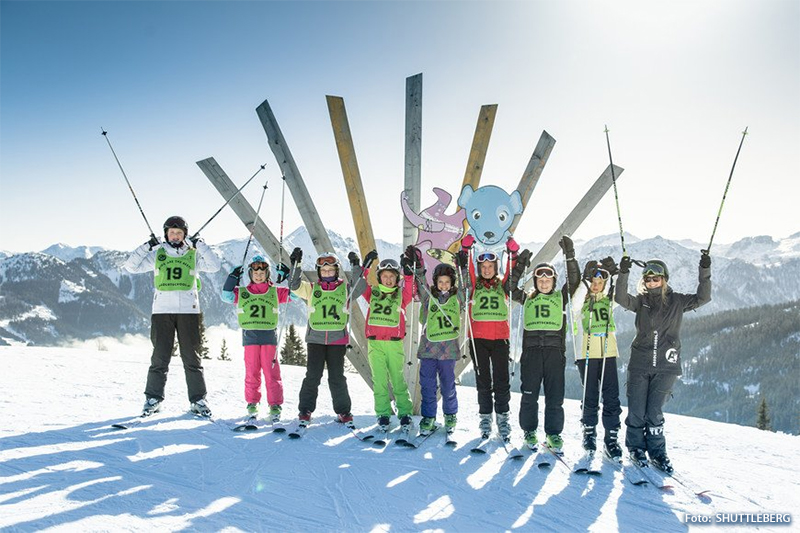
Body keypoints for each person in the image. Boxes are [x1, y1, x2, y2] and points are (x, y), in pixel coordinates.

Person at [615, 252, 712, 473]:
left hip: (667, 366)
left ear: (664, 279)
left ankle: (658, 452)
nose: (651, 282)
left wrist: (704, 270)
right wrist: (623, 272)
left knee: (655, 413)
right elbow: (621, 298)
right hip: (640, 364)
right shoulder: (641, 302)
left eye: (655, 278)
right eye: (647, 279)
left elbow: (703, 298)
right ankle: (636, 448)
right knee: (637, 412)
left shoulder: (677, 301)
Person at [124, 216, 220, 417]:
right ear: (166, 234)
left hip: (189, 311)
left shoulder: (193, 254)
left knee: (191, 357)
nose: (175, 236)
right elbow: (131, 266)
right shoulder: (158, 254)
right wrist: (147, 246)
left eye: (179, 233)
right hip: (161, 311)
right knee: (160, 357)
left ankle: (198, 399)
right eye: (171, 233)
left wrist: (199, 244)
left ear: (185, 234)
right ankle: (153, 399)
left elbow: (214, 265)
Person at [508, 236, 579, 453]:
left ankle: (553, 434)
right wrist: (520, 265)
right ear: (536, 282)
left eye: (548, 279)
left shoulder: (561, 297)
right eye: (540, 280)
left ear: (554, 281)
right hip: (531, 353)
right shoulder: (527, 298)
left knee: (554, 396)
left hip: (554, 353)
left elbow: (574, 281)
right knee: (529, 395)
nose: (544, 282)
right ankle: (529, 430)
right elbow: (509, 287)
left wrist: (570, 255)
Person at [288, 248, 372, 428]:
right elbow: (293, 285)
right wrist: (296, 265)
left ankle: (343, 411)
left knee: (337, 377)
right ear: (319, 272)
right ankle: (305, 410)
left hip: (337, 339)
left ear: (336, 271)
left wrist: (356, 265)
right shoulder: (311, 288)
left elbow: (360, 286)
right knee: (313, 375)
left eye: (331, 270)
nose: (327, 273)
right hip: (316, 339)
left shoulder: (345, 289)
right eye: (324, 270)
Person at [461, 234, 519, 441]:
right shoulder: (474, 285)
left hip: (500, 340)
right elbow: (466, 271)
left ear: (496, 268)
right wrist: (466, 250)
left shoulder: (503, 285)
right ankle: (485, 418)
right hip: (478, 340)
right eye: (483, 267)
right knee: (483, 380)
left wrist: (513, 253)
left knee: (502, 381)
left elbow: (513, 273)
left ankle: (503, 418)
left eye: (490, 266)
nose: (486, 270)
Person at [221, 255, 292, 421]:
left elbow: (295, 295)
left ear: (267, 274)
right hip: (250, 336)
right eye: (255, 272)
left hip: (268, 336)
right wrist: (232, 278)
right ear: (250, 274)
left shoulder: (275, 291)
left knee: (271, 372)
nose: (258, 275)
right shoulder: (243, 292)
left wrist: (289, 276)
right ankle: (252, 402)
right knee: (252, 371)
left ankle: (274, 405)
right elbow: (226, 296)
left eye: (262, 272)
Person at [573, 256, 623, 460]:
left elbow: (619, 293)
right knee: (590, 396)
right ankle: (589, 433)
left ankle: (611, 438)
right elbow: (576, 302)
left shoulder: (608, 301)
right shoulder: (578, 303)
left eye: (599, 283)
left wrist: (617, 275)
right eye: (592, 282)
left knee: (611, 397)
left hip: (607, 354)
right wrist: (585, 282)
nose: (595, 286)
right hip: (586, 355)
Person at [360, 253, 416, 431]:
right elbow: (360, 286)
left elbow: (410, 288)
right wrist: (364, 267)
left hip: (394, 344)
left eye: (392, 276)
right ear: (379, 278)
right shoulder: (373, 293)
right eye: (385, 276)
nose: (389, 279)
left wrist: (408, 273)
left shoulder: (401, 296)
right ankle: (383, 414)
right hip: (375, 343)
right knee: (380, 380)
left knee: (398, 379)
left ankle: (405, 413)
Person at [413, 255, 465, 437]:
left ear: (452, 283)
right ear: (435, 282)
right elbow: (419, 283)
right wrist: (417, 265)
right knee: (427, 385)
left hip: (448, 351)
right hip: (428, 349)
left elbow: (467, 287)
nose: (443, 285)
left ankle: (450, 415)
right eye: (440, 282)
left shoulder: (457, 297)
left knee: (448, 385)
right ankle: (429, 417)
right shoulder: (428, 297)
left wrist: (462, 267)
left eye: (447, 282)